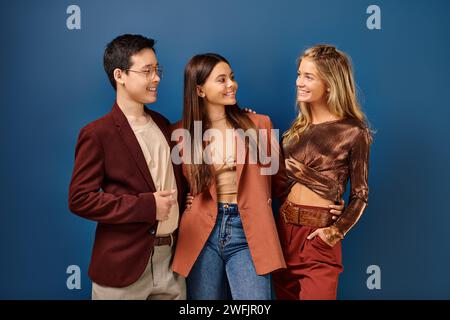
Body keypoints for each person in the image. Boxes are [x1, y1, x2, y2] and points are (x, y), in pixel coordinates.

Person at [68, 34, 186, 300]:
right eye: (147, 71)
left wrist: (242, 120)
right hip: (123, 267)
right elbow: (79, 199)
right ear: (120, 75)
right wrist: (146, 206)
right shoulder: (97, 133)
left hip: (172, 264)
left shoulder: (163, 124)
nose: (156, 78)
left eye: (157, 70)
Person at [170, 53, 286, 300]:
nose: (231, 84)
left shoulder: (259, 125)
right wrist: (185, 204)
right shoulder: (180, 133)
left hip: (249, 230)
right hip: (201, 233)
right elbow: (175, 187)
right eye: (221, 80)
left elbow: (279, 183)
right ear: (200, 90)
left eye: (231, 77)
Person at [273, 44, 372, 300]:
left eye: (308, 76)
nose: (298, 82)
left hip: (318, 236)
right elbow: (276, 185)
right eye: (298, 74)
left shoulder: (354, 132)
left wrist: (336, 231)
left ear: (329, 83)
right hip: (283, 232)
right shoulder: (294, 131)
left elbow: (360, 194)